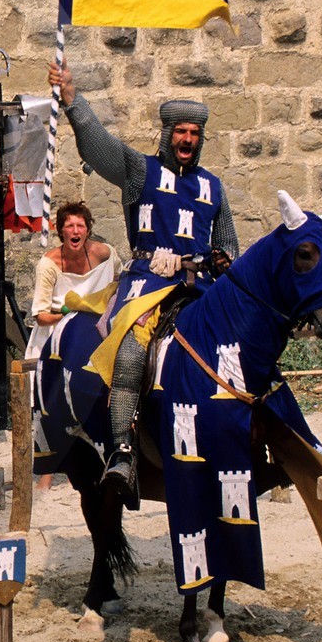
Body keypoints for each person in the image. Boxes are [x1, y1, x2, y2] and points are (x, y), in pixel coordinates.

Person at [48, 61, 238, 507]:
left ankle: (255, 433)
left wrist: (223, 259)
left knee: (241, 343)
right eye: (181, 132)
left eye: (194, 133)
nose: (187, 139)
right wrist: (73, 99)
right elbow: (100, 147)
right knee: (132, 351)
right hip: (148, 282)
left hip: (198, 286)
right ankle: (122, 452)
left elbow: (227, 243)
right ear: (168, 134)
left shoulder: (213, 187)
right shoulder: (141, 171)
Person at [25, 201, 115, 492]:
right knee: (49, 407)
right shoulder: (49, 264)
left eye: (80, 226)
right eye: (69, 226)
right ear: (60, 231)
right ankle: (47, 475)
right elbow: (40, 315)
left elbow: (118, 284)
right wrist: (70, 315)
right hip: (54, 336)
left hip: (92, 337)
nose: (75, 231)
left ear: (87, 230)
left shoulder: (105, 255)